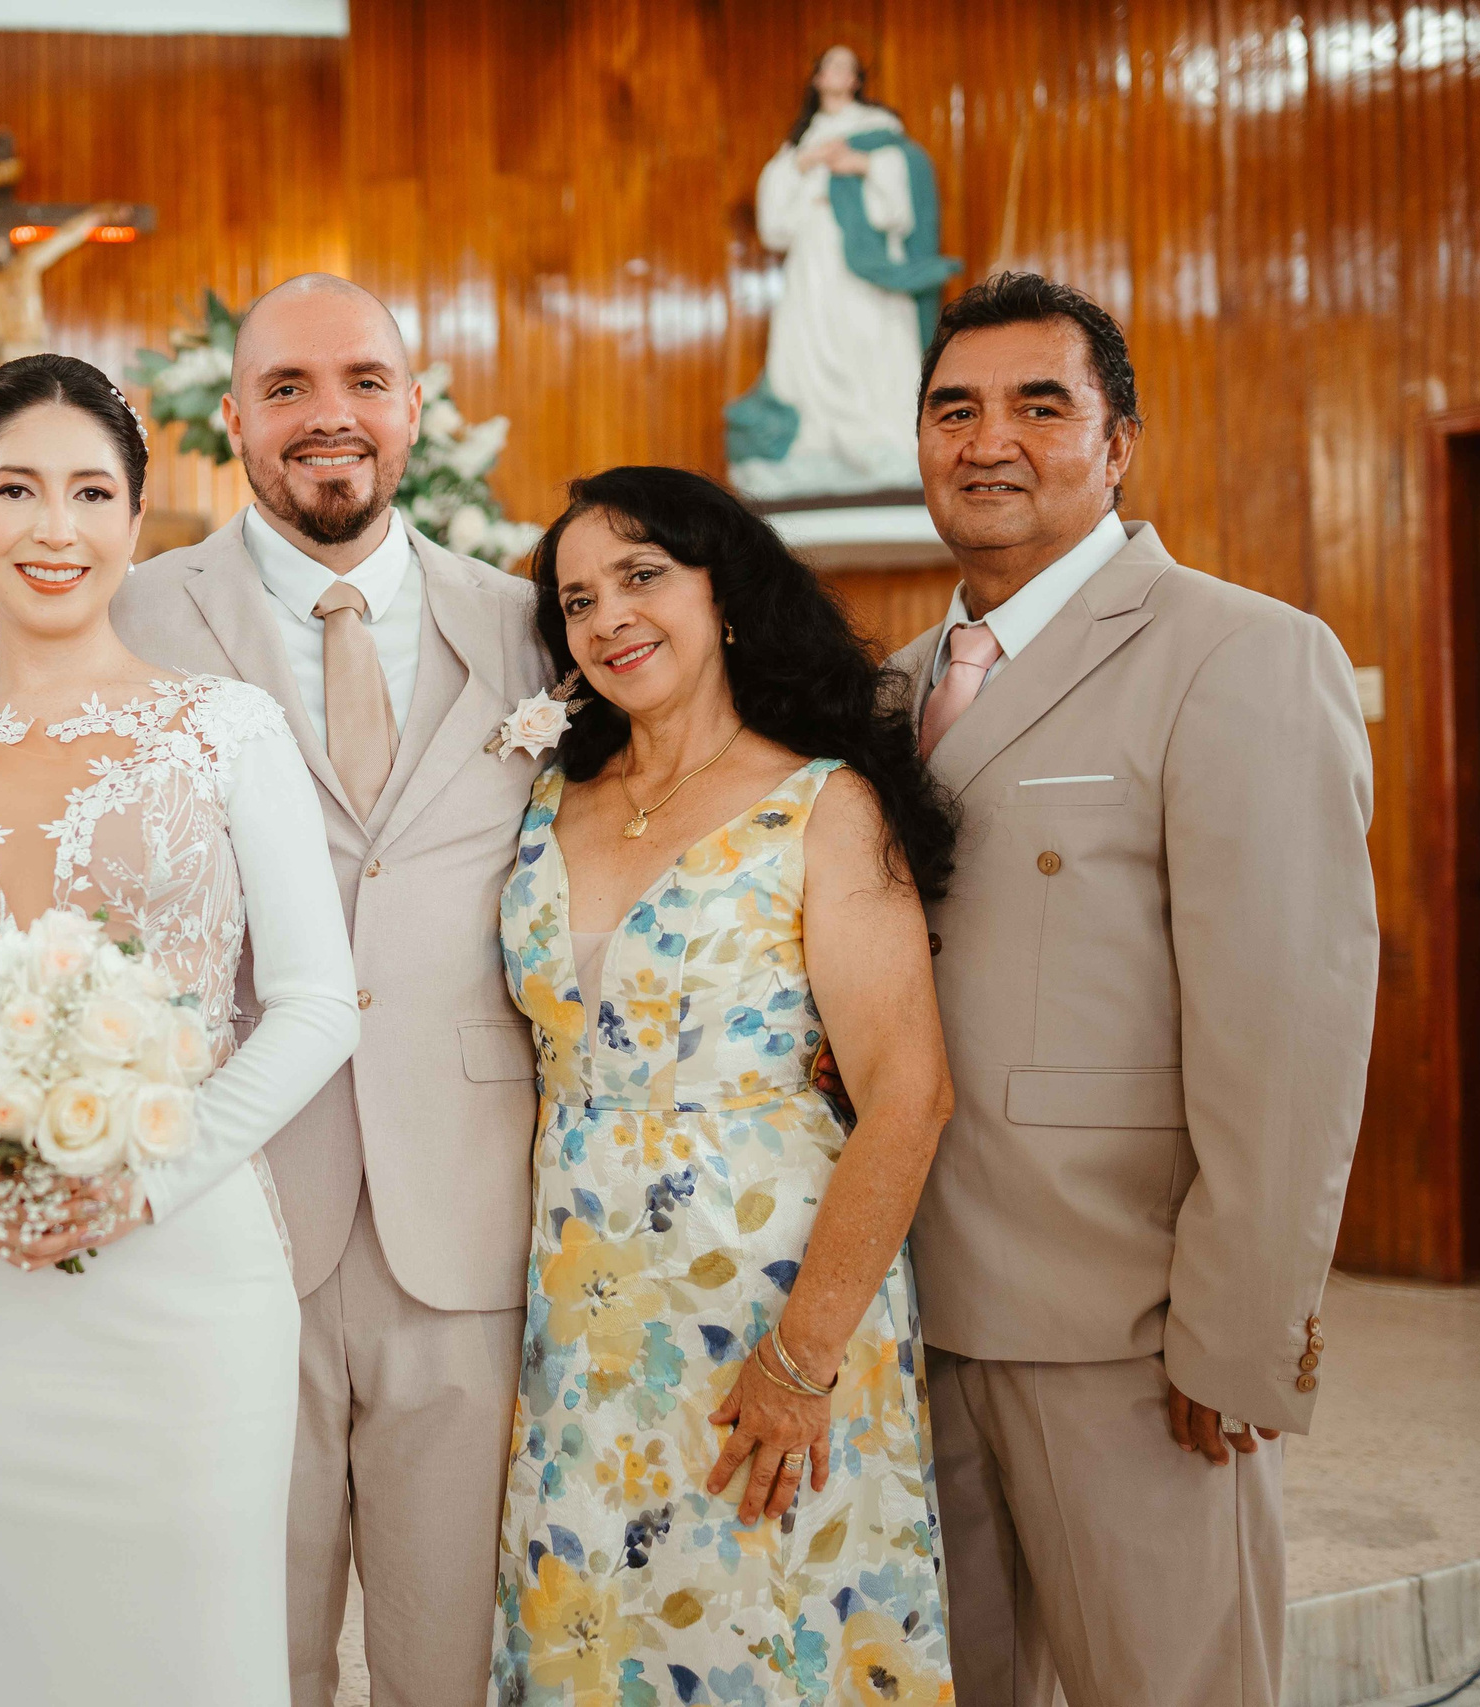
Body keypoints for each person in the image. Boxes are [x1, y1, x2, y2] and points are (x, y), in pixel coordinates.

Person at [0, 352, 360, 1706]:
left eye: (89, 492)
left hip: (186, 1274)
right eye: (15, 489)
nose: (53, 527)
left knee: (182, 1634)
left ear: (133, 519)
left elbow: (316, 1001)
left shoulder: (227, 731)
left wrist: (149, 1172)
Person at [890, 272, 1379, 1707]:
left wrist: (1239, 1329)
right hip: (909, 1321)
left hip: (1131, 1335)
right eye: (955, 409)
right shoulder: (885, 688)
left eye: (1043, 405)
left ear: (1119, 444)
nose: (991, 441)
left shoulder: (1240, 652)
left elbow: (1287, 1027)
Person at [112, 274, 553, 1707]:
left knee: (453, 1652)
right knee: (248, 1647)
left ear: (414, 406)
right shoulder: (131, 619)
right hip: (232, 1210)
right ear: (230, 417)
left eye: (364, 378)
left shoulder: (535, 623)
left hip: (469, 1218)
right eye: (288, 387)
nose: (329, 414)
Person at [490, 465, 959, 1705]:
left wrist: (800, 1360)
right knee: (599, 1628)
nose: (608, 617)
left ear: (726, 594)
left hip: (768, 1294)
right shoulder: (549, 801)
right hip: (582, 1310)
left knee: (770, 1626)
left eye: (642, 576)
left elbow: (907, 1096)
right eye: (578, 599)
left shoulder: (823, 804)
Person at [725, 45, 956, 502]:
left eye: (846, 67)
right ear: (816, 78)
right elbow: (775, 220)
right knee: (805, 347)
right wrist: (804, 162)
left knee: (870, 339)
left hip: (863, 260)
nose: (837, 74)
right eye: (829, 65)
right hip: (814, 261)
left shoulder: (877, 130)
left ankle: (883, 444)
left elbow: (907, 174)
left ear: (856, 80)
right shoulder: (802, 140)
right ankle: (815, 446)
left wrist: (864, 164)